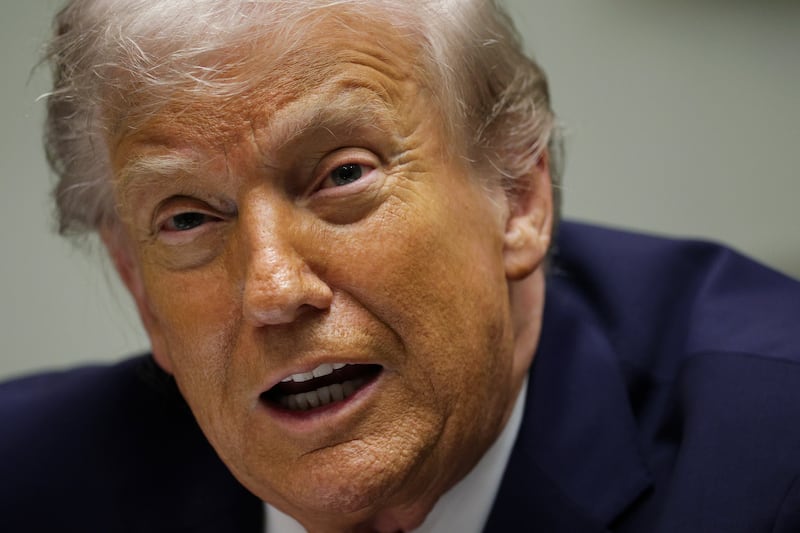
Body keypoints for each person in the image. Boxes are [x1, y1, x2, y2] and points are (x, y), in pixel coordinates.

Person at [1, 0, 799, 531]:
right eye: (186, 218)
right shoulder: (30, 483)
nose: (274, 289)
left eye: (343, 175)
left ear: (518, 193)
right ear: (139, 288)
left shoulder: (768, 464)